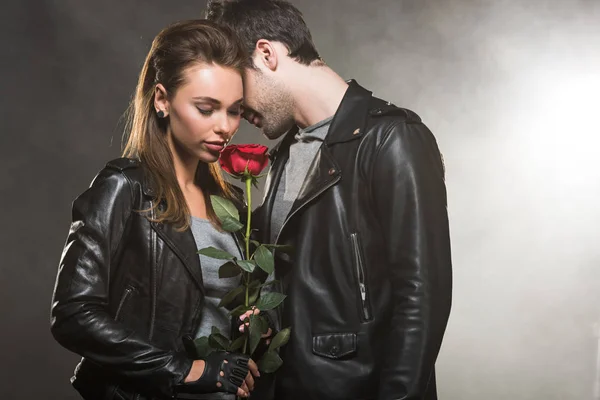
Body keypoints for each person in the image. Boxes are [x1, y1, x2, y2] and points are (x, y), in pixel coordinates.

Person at [206, 1, 453, 399]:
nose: (235, 110)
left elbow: (422, 298)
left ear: (267, 54)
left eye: (238, 86)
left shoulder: (392, 140)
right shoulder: (282, 155)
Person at [50, 19, 261, 400]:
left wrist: (255, 322)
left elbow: (228, 308)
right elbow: (72, 314)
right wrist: (183, 370)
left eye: (234, 111)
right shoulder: (125, 188)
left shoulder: (232, 203)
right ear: (162, 99)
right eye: (206, 108)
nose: (225, 127)